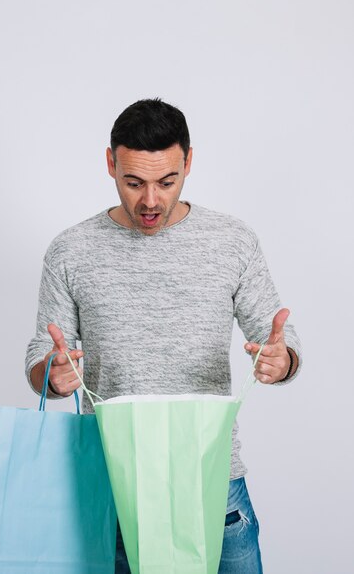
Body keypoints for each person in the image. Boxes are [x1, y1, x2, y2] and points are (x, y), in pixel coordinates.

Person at [24, 98, 302, 573]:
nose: (150, 201)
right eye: (133, 182)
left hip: (213, 485)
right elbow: (40, 360)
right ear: (110, 163)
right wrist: (52, 374)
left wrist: (282, 361)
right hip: (115, 490)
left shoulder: (233, 241)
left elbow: (280, 341)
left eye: (166, 182)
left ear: (188, 162)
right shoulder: (70, 250)